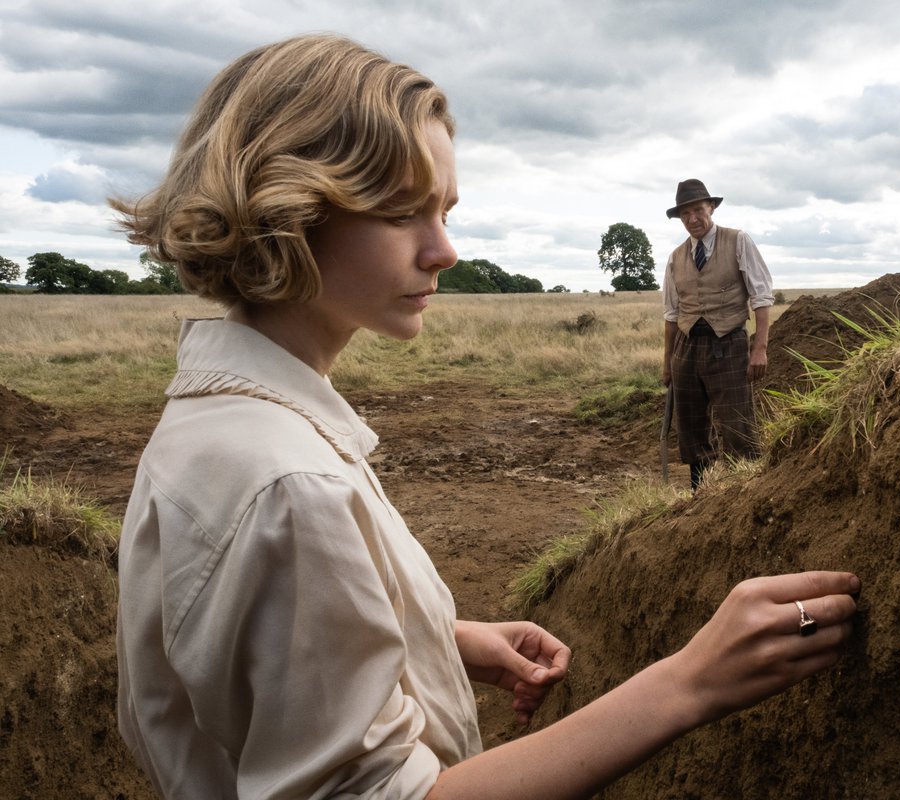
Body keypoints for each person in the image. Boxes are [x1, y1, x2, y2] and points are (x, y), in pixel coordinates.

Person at [112, 34, 859, 799]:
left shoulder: (215, 422)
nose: (444, 249)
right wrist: (690, 685)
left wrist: (431, 638)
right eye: (403, 212)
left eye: (445, 210)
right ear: (287, 209)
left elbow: (243, 663)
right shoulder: (287, 486)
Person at [661, 179, 774, 489]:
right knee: (692, 427)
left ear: (711, 207)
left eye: (698, 210)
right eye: (685, 215)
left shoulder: (738, 241)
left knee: (737, 423)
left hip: (729, 344)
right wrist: (667, 361)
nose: (692, 220)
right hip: (686, 348)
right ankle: (701, 495)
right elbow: (672, 314)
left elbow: (761, 297)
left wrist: (760, 348)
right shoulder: (675, 257)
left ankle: (745, 491)